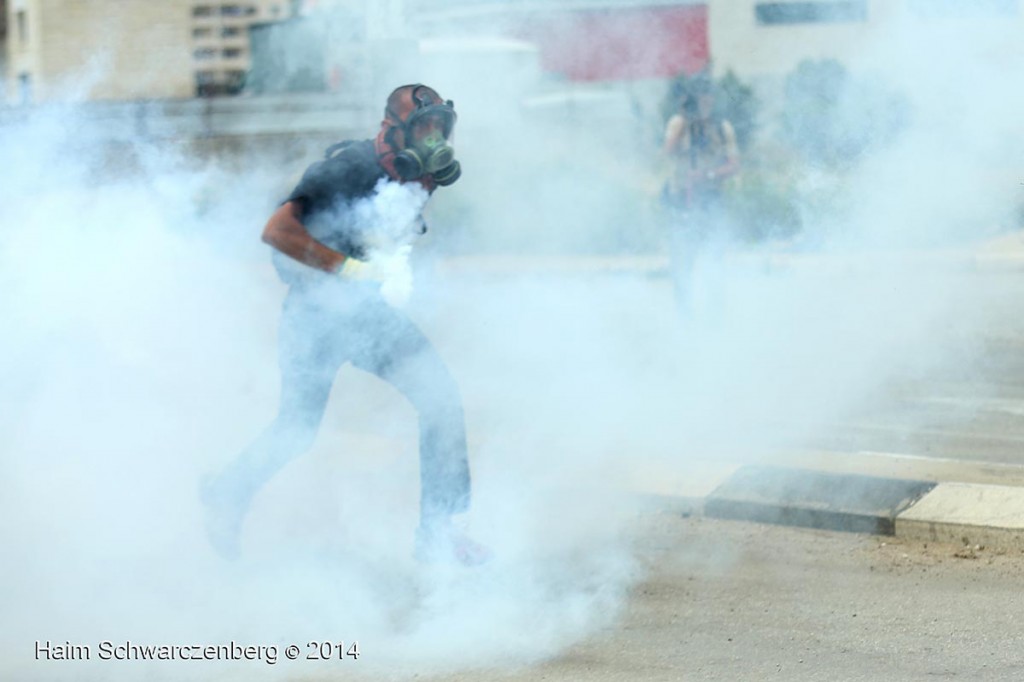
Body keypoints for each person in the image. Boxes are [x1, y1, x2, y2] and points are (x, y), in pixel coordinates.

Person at [201, 84, 490, 566]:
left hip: (365, 315)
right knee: (296, 429)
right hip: (315, 316)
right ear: (392, 131)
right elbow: (276, 231)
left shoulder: (416, 176)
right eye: (424, 127)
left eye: (441, 127)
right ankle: (226, 493)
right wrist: (347, 269)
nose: (435, 137)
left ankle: (438, 535)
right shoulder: (348, 167)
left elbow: (387, 237)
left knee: (439, 400)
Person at [661, 74, 740, 316]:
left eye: (709, 98)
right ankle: (685, 313)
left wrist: (708, 175)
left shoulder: (721, 127)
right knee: (683, 260)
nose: (706, 103)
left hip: (711, 200)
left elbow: (734, 164)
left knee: (715, 256)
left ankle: (716, 312)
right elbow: (668, 152)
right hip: (682, 200)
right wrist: (686, 122)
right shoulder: (679, 123)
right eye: (701, 98)